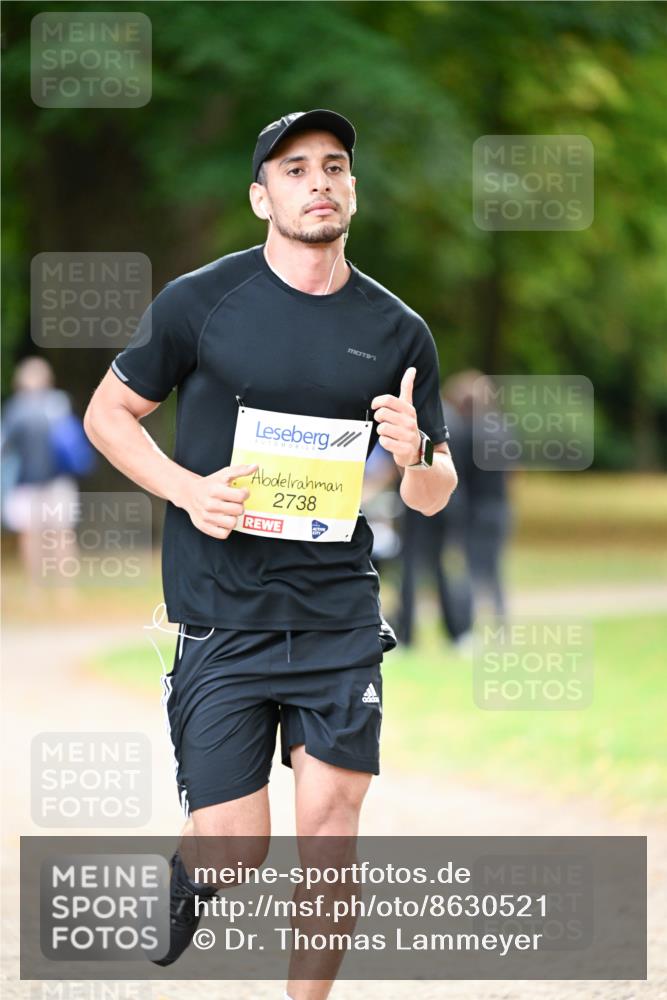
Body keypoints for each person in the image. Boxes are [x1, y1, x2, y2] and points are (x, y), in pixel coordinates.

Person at [84, 109, 458, 997]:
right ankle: (193, 872)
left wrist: (414, 457)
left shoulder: (398, 330)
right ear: (262, 197)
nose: (318, 181)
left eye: (333, 167)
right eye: (294, 170)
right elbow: (107, 415)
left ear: (353, 192)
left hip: (336, 615)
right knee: (239, 849)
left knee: (329, 837)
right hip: (223, 612)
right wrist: (186, 489)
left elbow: (433, 490)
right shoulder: (199, 302)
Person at [1, 356, 80, 586]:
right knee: (33, 534)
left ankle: (63, 588)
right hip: (30, 482)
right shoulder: (53, 405)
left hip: (52, 481)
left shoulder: (46, 406)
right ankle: (38, 587)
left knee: (60, 534)